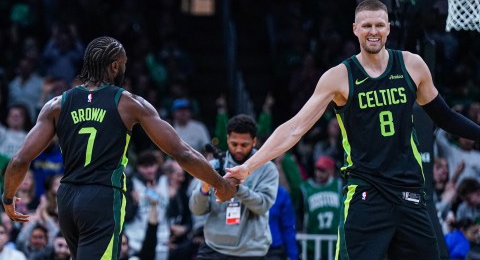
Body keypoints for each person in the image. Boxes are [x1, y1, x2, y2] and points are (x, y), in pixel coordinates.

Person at [226, 0, 480, 260]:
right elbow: (295, 128)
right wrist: (248, 166)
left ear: (388, 28)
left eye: (379, 25)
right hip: (366, 192)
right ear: (355, 29)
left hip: (410, 192)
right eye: (367, 25)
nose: (373, 31)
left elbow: (446, 116)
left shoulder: (411, 65)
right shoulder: (339, 76)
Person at [2, 36, 238, 260]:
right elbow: (181, 152)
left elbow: (20, 159)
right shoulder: (128, 102)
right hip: (102, 196)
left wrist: (8, 196)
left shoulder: (57, 104)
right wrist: (220, 183)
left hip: (67, 198)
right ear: (114, 66)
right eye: (123, 64)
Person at [190, 114, 279, 259]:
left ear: (254, 141)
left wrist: (236, 188)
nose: (238, 149)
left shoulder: (267, 168)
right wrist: (204, 189)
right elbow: (196, 210)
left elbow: (262, 206)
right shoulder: (214, 167)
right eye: (234, 143)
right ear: (227, 140)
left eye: (244, 145)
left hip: (250, 251)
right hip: (213, 247)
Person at [299, 155, 342, 260]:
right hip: (312, 243)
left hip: (335, 243)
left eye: (322, 170)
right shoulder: (305, 188)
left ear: (331, 171)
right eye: (317, 170)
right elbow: (299, 212)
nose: (318, 173)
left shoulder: (339, 185)